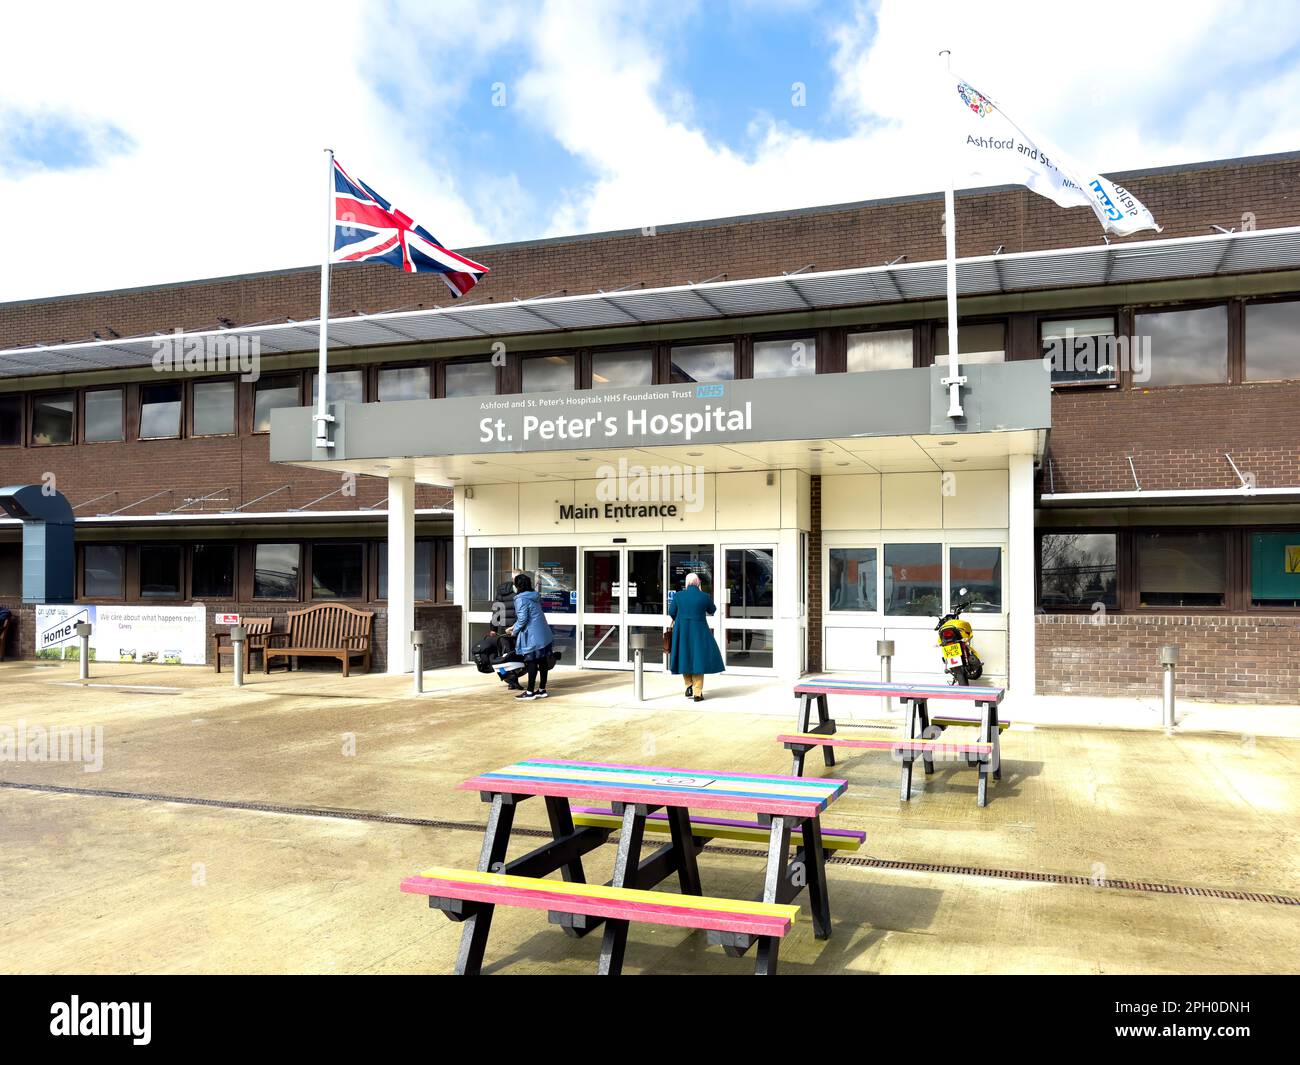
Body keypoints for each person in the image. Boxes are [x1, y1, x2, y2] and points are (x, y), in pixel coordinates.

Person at [668, 572, 724, 702]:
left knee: (684, 656)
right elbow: (712, 610)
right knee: (698, 659)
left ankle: (688, 685)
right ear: (698, 582)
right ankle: (698, 693)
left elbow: (672, 612)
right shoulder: (704, 596)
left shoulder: (678, 596)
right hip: (699, 630)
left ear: (686, 583)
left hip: (682, 630)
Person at [508, 572, 554, 700]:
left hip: (532, 636)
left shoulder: (521, 598)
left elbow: (523, 619)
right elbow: (532, 616)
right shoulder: (534, 596)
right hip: (543, 633)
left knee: (532, 662)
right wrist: (514, 627)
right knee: (543, 662)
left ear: (518, 586)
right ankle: (542, 690)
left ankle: (529, 692)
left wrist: (514, 631)